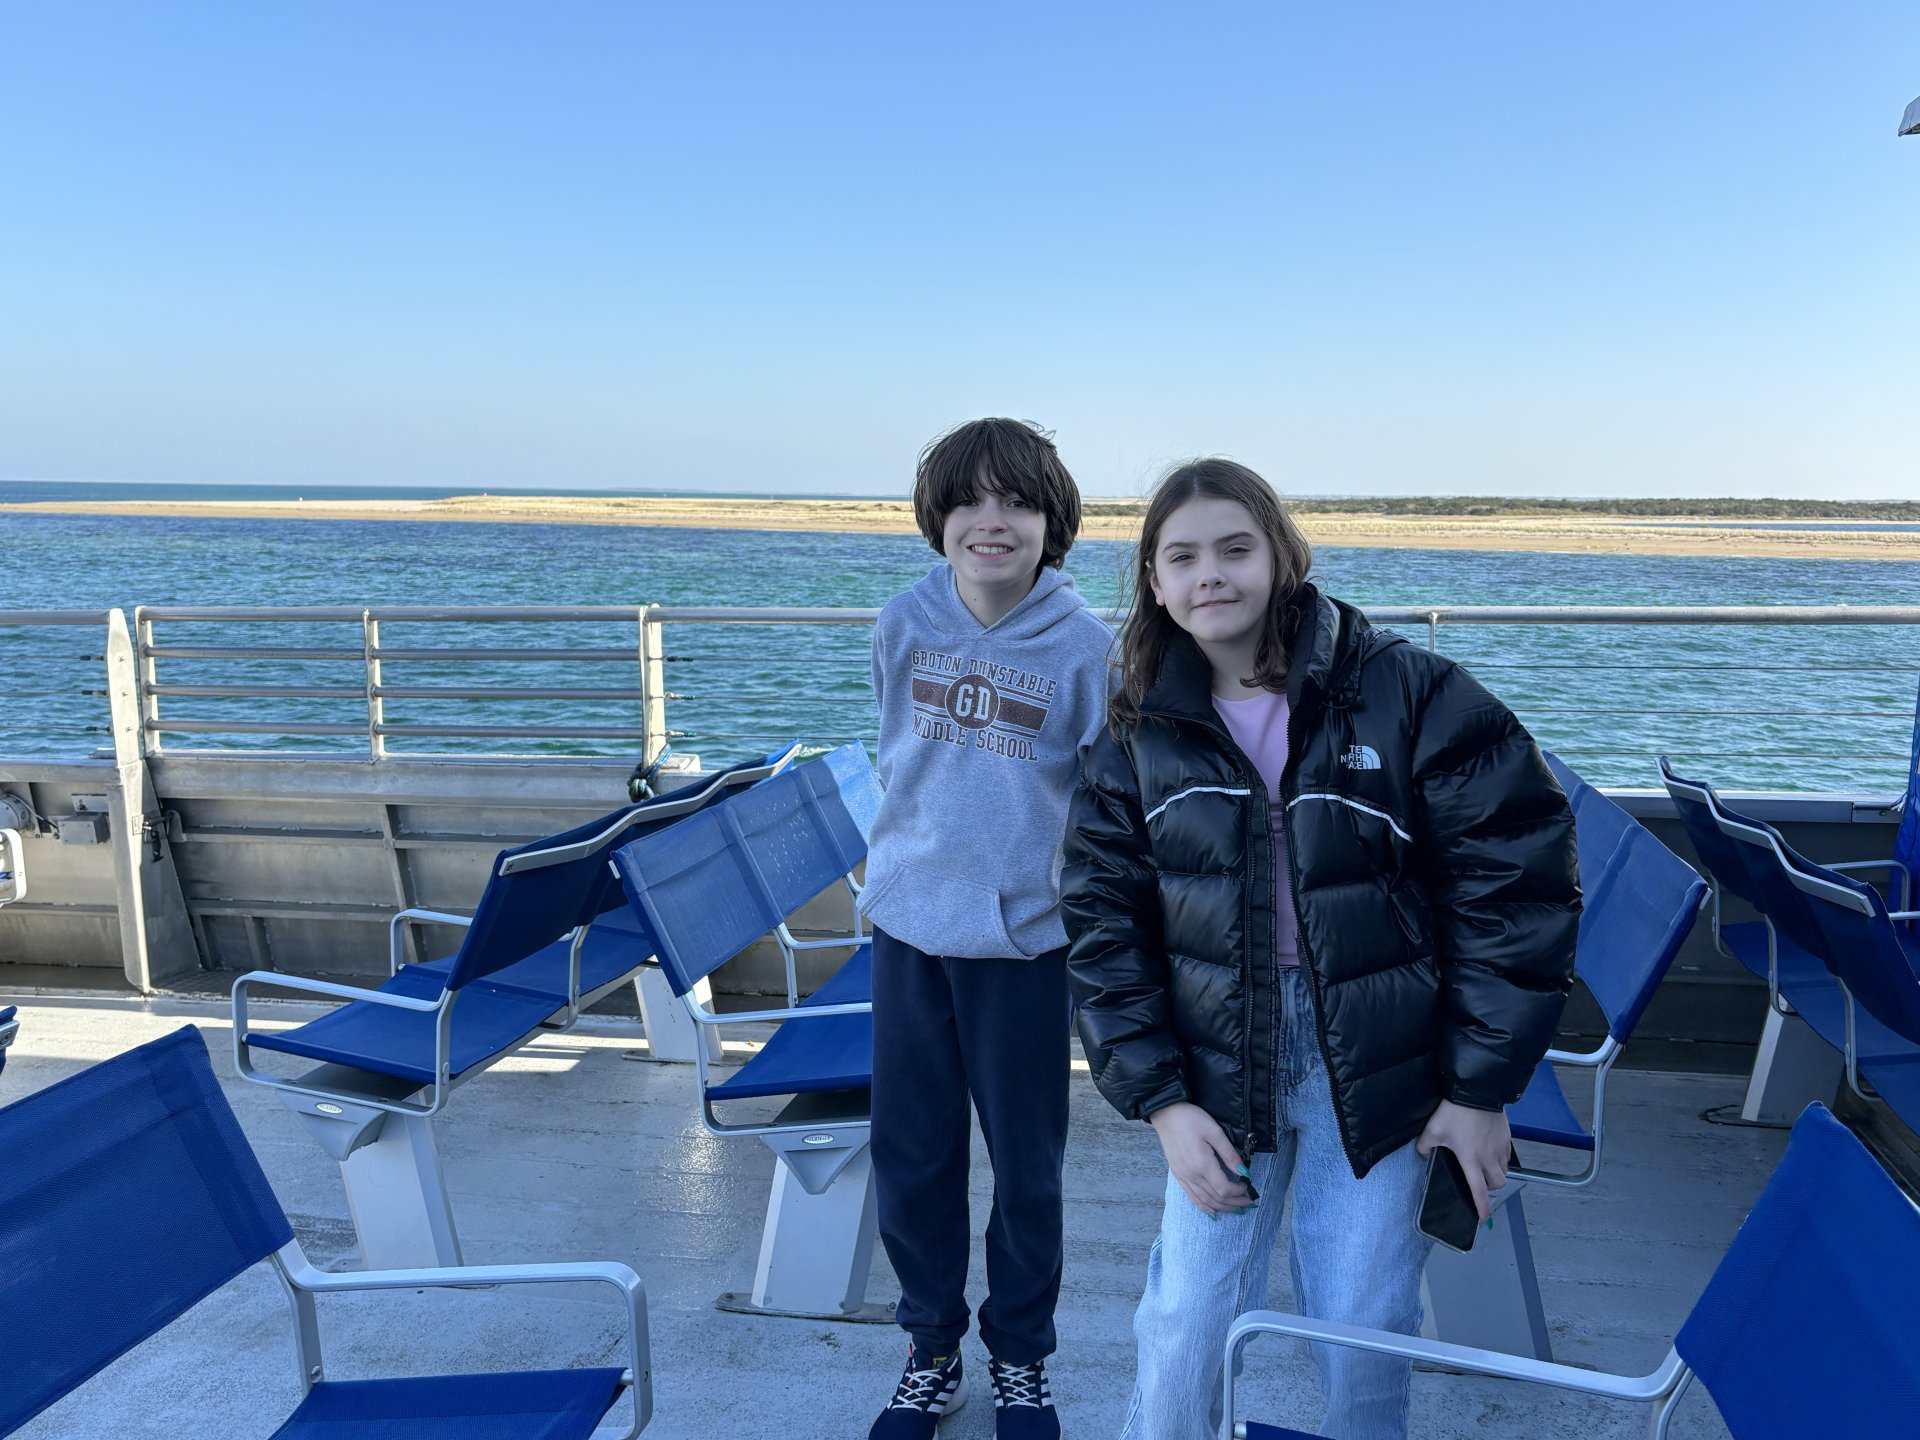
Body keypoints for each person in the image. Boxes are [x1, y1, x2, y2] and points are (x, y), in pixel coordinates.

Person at [1062, 458, 1580, 1440]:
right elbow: (1102, 921)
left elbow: (1517, 882)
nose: (1210, 574)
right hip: (1221, 1062)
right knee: (1186, 1323)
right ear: (1156, 585)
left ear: (1282, 559)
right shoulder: (1135, 733)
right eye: (1183, 558)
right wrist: (1164, 1101)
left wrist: (1478, 1092)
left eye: (1234, 548)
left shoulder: (1405, 690)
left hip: (1385, 1063)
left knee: (1364, 1325)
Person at [861, 418, 1116, 1440]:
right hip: (911, 931)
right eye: (969, 500)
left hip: (1024, 947)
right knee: (912, 1157)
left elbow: (1100, 802)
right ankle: (931, 1349)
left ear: (1053, 523)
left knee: (1027, 1167)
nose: (991, 521)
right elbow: (899, 761)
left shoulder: (1088, 647)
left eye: (1017, 501)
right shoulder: (902, 622)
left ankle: (1021, 1356)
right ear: (939, 519)